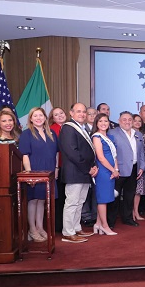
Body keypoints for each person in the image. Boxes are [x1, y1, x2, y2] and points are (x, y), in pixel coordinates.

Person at [59, 103, 98, 243]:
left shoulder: (81, 128)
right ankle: (68, 232)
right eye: (78, 111)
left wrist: (92, 167)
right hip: (75, 172)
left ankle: (76, 228)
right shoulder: (68, 128)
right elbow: (72, 152)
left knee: (80, 203)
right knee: (72, 203)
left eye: (83, 112)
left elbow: (88, 151)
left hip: (83, 172)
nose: (82, 114)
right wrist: (88, 168)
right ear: (71, 113)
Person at [18, 107, 59, 242]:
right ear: (30, 118)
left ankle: (40, 227)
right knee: (33, 200)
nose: (38, 118)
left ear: (45, 117)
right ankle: (32, 230)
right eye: (35, 116)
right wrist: (29, 174)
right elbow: (25, 155)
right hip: (34, 170)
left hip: (49, 171)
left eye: (41, 115)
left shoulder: (51, 133)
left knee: (42, 200)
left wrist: (57, 168)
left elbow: (56, 153)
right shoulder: (26, 134)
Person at [108, 111, 145, 228]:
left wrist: (142, 167)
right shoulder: (112, 133)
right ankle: (110, 221)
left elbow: (141, 153)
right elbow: (110, 153)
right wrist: (115, 168)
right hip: (119, 169)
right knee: (115, 196)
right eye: (124, 119)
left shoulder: (138, 134)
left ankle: (128, 218)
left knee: (130, 195)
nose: (127, 122)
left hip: (134, 168)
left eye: (130, 119)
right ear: (119, 121)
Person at [91, 113, 119, 236]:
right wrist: (113, 170)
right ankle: (105, 226)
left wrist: (116, 169)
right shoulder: (96, 137)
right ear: (96, 123)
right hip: (103, 171)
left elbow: (115, 155)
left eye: (106, 121)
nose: (103, 123)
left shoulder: (110, 137)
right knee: (102, 199)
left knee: (106, 198)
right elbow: (101, 158)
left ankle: (98, 223)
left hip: (111, 170)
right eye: (101, 121)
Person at [131, 114, 145, 222]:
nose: (137, 123)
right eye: (134, 120)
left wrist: (142, 166)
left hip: (139, 166)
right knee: (129, 191)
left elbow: (142, 153)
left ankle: (136, 211)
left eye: (139, 121)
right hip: (128, 166)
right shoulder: (124, 134)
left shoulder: (141, 135)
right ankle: (130, 213)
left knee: (138, 191)